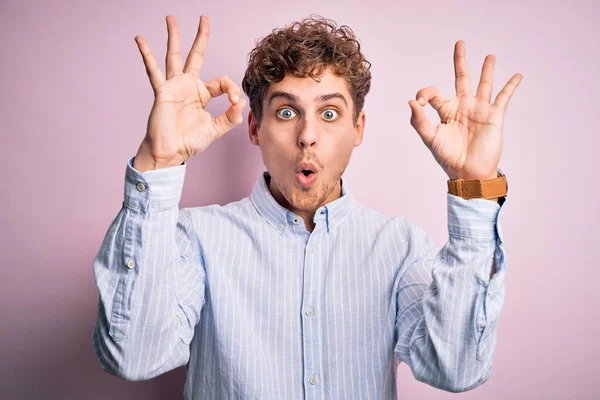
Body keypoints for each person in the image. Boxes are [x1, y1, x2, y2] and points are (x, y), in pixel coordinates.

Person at [92, 13, 521, 399]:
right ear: (255, 128)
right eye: (286, 113)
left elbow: (456, 369)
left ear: (358, 129)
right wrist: (159, 162)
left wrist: (475, 185)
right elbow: (134, 356)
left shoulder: (401, 247)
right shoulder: (196, 238)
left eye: (330, 113)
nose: (307, 136)